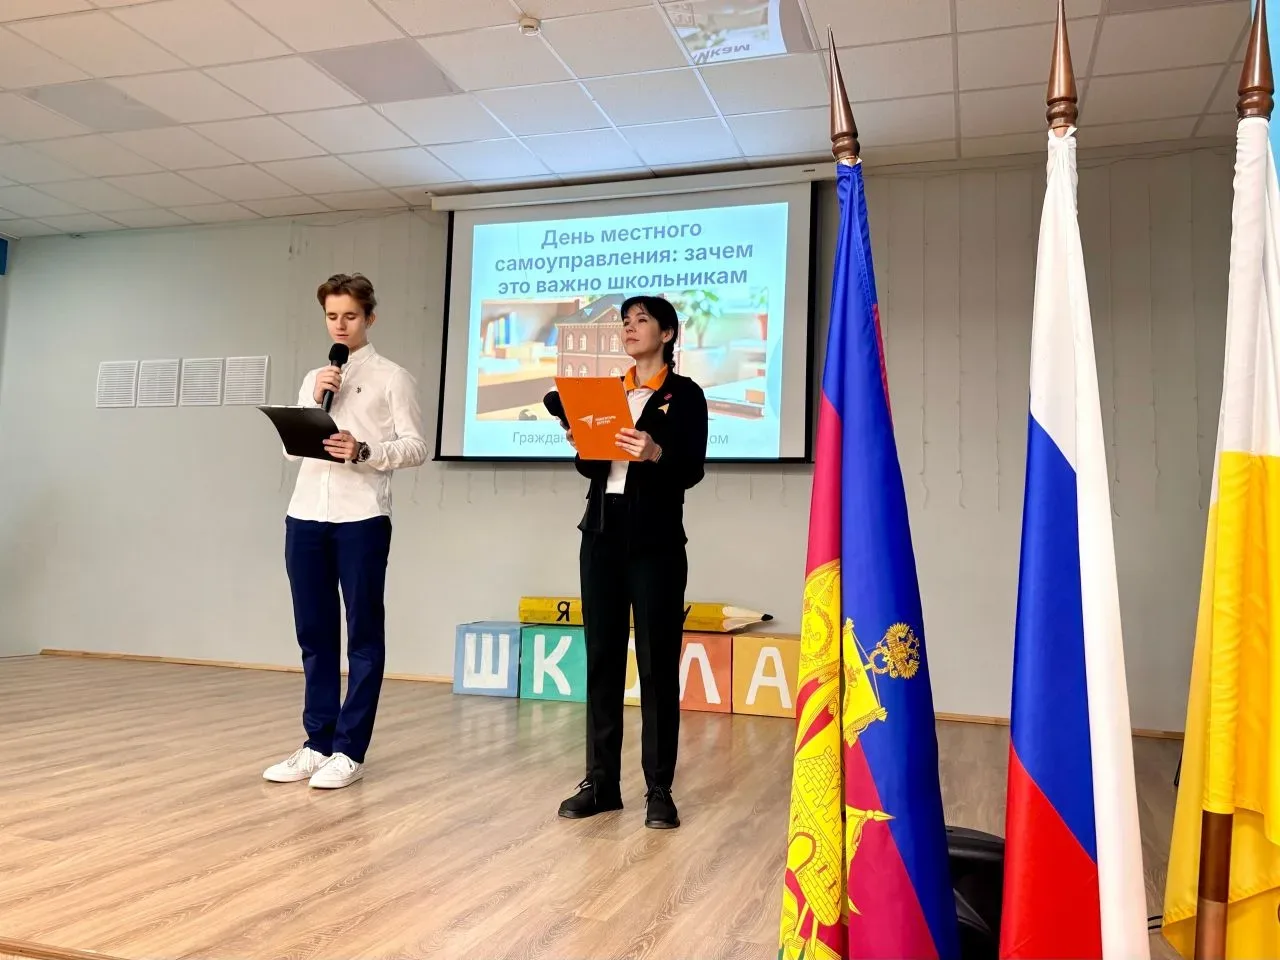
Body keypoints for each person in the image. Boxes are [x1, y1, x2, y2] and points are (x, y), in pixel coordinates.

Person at [263, 273, 428, 790]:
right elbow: (291, 450)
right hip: (306, 516)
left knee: (363, 635)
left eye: (350, 316)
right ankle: (317, 743)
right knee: (314, 634)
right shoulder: (316, 377)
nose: (340, 325)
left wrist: (364, 450)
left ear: (369, 318)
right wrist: (314, 399)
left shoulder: (393, 377)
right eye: (332, 316)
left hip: (362, 520)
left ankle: (349, 749)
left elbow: (417, 447)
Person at [557, 295, 708, 829]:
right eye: (625, 321)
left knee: (657, 664)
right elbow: (592, 467)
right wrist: (582, 443)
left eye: (642, 320)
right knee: (601, 659)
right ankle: (601, 783)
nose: (629, 327)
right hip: (601, 533)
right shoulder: (607, 392)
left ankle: (659, 788)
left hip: (656, 541)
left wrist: (655, 452)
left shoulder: (685, 395)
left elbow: (691, 469)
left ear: (667, 334)